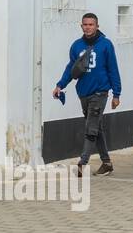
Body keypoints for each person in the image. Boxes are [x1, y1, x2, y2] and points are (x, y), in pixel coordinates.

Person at [52, 12, 122, 177]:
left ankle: (82, 162)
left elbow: (113, 69)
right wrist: (60, 85)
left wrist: (116, 94)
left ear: (97, 26)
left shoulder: (106, 45)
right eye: (85, 24)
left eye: (91, 24)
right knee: (96, 128)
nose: (88, 27)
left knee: (90, 129)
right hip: (83, 93)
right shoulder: (76, 46)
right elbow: (71, 68)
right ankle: (107, 163)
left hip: (100, 93)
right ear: (81, 26)